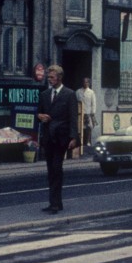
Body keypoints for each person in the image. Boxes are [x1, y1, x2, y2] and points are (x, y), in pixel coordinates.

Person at [37, 65, 79, 213]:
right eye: (48, 77)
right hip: (48, 137)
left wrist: (74, 137)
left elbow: (73, 118)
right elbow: (38, 113)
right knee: (50, 170)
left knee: (56, 168)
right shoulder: (44, 94)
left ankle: (56, 203)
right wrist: (40, 116)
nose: (50, 80)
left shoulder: (69, 94)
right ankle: (54, 202)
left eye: (52, 77)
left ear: (60, 78)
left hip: (62, 137)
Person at [77, 77, 97, 150]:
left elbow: (93, 103)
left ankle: (88, 141)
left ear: (89, 83)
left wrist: (93, 112)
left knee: (89, 127)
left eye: (87, 82)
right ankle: (80, 142)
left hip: (88, 112)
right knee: (80, 127)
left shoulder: (91, 92)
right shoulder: (78, 91)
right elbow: (76, 102)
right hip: (80, 113)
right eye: (84, 82)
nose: (85, 83)